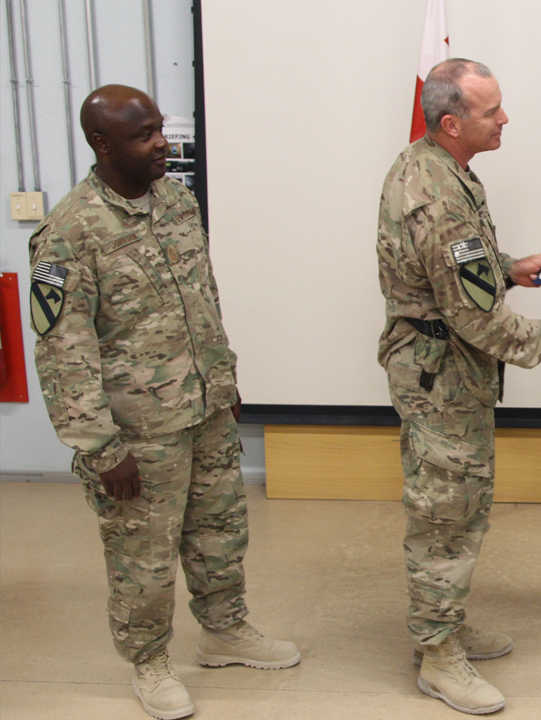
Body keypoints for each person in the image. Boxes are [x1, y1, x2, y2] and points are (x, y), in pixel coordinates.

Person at [29, 85, 299, 720]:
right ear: (102, 144)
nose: (163, 144)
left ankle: (225, 632)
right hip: (137, 432)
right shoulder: (69, 232)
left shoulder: (176, 200)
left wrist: (223, 380)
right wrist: (99, 448)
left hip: (204, 407)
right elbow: (63, 353)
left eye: (160, 129)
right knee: (142, 556)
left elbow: (201, 297)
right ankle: (149, 662)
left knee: (220, 532)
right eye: (144, 134)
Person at [376, 58, 541, 716]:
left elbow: (460, 271)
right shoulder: (436, 191)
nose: (505, 119)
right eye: (491, 110)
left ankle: (447, 623)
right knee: (444, 512)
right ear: (452, 122)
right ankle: (438, 656)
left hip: (453, 370)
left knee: (464, 502)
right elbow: (472, 314)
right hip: (439, 372)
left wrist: (509, 267)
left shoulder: (445, 170)